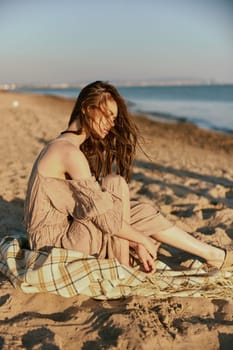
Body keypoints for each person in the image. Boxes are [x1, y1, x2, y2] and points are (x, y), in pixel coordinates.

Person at [24, 80, 231, 274]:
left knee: (138, 211)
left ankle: (213, 255)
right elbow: (105, 220)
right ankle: (122, 268)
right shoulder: (68, 153)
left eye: (114, 118)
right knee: (114, 185)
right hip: (54, 246)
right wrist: (142, 240)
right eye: (107, 115)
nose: (111, 124)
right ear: (87, 108)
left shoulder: (66, 146)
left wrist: (135, 241)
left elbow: (102, 216)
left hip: (65, 236)